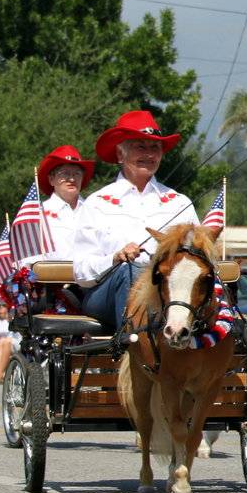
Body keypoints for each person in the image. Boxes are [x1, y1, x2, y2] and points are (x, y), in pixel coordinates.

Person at [74, 111, 199, 332]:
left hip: (166, 293)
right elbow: (81, 272)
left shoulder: (180, 203)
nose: (149, 154)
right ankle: (135, 345)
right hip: (105, 293)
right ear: (120, 155)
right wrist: (115, 258)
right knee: (129, 271)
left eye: (154, 148)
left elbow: (195, 255)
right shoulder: (97, 203)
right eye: (140, 147)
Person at [25, 145, 95, 261]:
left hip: (95, 278)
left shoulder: (95, 210)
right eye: (65, 174)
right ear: (51, 179)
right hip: (50, 277)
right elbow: (28, 260)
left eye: (77, 174)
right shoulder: (37, 215)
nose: (72, 179)